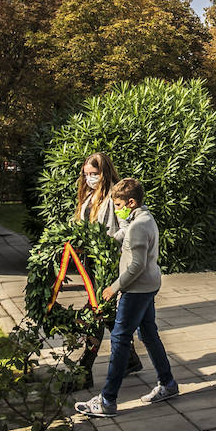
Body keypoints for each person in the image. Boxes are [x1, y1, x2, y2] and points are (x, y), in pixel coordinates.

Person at [76, 177, 177, 417]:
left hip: (137, 289)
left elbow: (137, 266)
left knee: (120, 340)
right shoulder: (142, 219)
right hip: (148, 286)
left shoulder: (138, 226)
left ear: (131, 202)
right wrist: (101, 243)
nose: (116, 209)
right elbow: (123, 235)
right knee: (149, 334)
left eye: (119, 205)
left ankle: (107, 400)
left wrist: (114, 287)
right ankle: (168, 383)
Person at [73, 152, 137, 388]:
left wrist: (108, 242)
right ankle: (130, 358)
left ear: (104, 172)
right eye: (87, 174)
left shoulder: (113, 196)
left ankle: (84, 370)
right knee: (106, 312)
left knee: (97, 311)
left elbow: (126, 226)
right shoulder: (88, 196)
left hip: (107, 261)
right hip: (90, 260)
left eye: (94, 174)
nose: (90, 178)